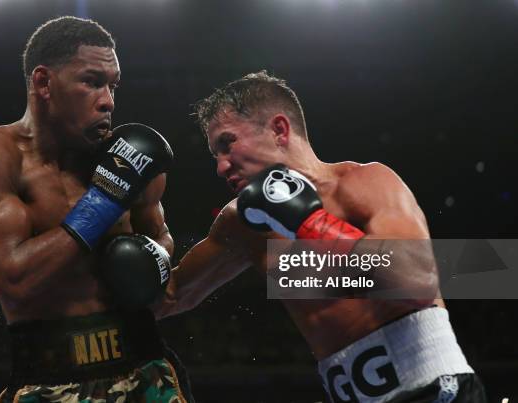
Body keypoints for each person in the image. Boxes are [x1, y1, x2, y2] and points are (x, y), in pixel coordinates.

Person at [154, 71, 487, 402]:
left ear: (279, 130)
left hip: (434, 391)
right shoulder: (242, 224)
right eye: (215, 155)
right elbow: (170, 297)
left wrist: (308, 220)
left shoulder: (365, 184)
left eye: (228, 144)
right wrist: (117, 224)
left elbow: (416, 282)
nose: (221, 167)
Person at [0, 16, 192, 403]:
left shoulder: (128, 156)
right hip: (49, 379)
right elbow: (16, 281)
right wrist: (104, 201)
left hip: (145, 368)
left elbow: (161, 240)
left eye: (113, 85)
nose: (108, 100)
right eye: (92, 81)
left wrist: (150, 259)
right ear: (44, 82)